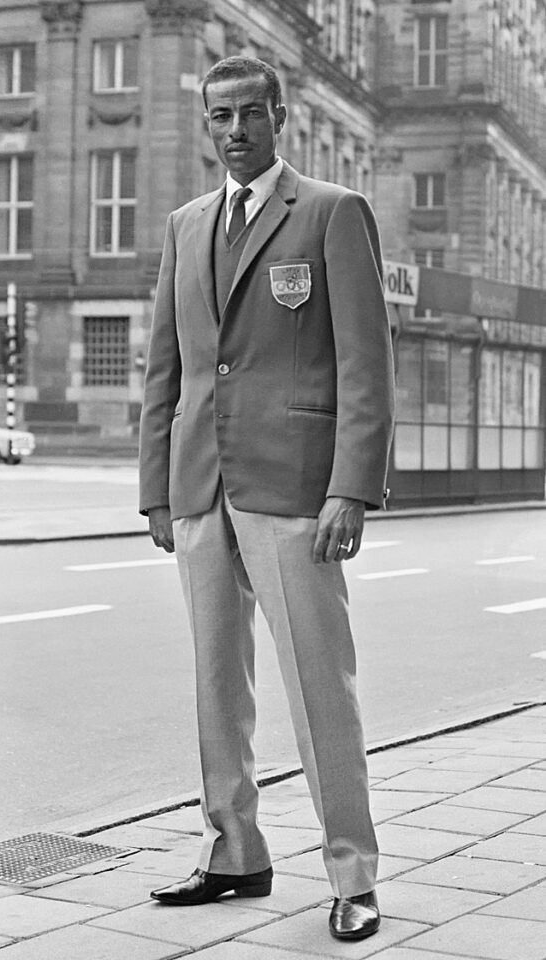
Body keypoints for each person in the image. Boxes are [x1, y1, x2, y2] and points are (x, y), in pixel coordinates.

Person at [139, 56, 395, 942]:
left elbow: (365, 363)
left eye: (252, 112)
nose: (236, 128)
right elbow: (165, 369)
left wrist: (351, 487)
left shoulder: (330, 212)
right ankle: (233, 854)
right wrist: (155, 492)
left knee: (320, 687)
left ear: (280, 117)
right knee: (218, 685)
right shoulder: (184, 225)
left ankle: (353, 876)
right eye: (220, 116)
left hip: (295, 493)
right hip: (201, 485)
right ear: (205, 124)